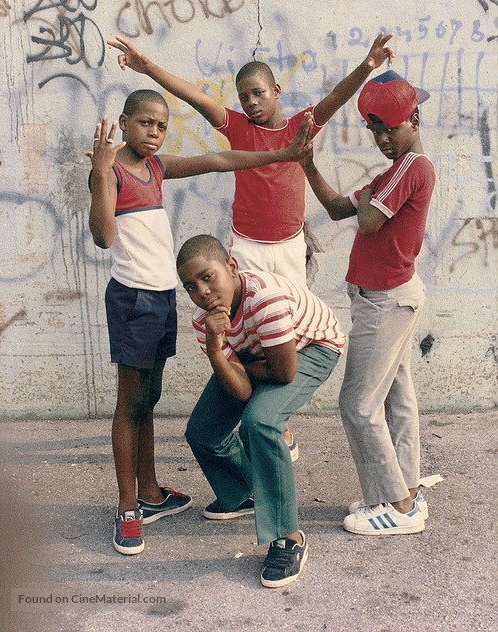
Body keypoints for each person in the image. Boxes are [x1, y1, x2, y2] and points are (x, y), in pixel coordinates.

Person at [107, 31, 394, 456]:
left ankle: (279, 420)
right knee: (243, 333)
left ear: (276, 91)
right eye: (244, 97)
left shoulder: (301, 126)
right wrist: (146, 66)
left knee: (286, 335)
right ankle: (246, 410)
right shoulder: (238, 127)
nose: (252, 103)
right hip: (247, 249)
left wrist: (368, 66)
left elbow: (336, 96)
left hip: (290, 247)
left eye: (258, 93)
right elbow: (193, 97)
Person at [86, 89, 313, 555]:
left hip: (161, 299)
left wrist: (286, 153)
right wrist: (99, 173)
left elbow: (216, 158)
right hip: (132, 301)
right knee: (130, 403)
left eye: (162, 126)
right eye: (145, 123)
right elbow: (104, 236)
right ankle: (128, 510)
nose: (154, 132)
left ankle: (150, 493)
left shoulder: (155, 167)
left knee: (149, 397)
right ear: (124, 122)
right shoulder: (110, 172)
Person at [300, 70, 436, 535]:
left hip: (385, 303)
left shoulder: (411, 168)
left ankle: (396, 507)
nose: (381, 139)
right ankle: (405, 492)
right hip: (384, 300)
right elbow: (342, 208)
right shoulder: (391, 172)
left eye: (390, 129)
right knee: (397, 397)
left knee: (357, 404)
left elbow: (371, 222)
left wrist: (372, 196)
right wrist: (308, 166)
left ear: (414, 119)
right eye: (375, 130)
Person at [175, 234, 346, 587]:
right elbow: (239, 390)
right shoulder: (203, 320)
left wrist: (235, 364)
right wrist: (214, 349)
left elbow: (284, 372)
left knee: (261, 422)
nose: (203, 292)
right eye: (191, 286)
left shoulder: (263, 298)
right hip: (260, 354)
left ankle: (288, 537)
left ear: (231, 268)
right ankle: (244, 493)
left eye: (208, 277)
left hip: (311, 346)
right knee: (203, 431)